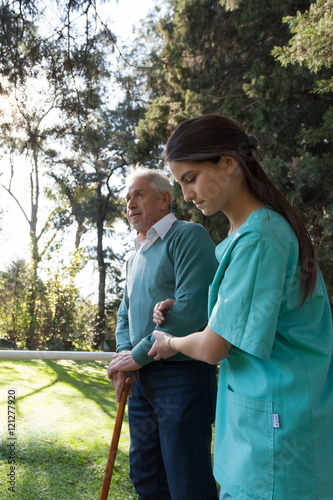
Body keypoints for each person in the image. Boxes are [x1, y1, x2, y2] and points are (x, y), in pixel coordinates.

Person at [148, 114, 333, 500]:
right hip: (258, 432)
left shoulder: (260, 238)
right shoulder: (247, 235)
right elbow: (239, 316)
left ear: (228, 164)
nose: (186, 195)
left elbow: (214, 346)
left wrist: (170, 342)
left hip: (278, 437)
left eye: (191, 178)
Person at [107, 166, 219, 500]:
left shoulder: (188, 236)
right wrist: (126, 357)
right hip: (142, 382)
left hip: (181, 375)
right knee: (145, 475)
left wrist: (135, 357)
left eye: (138, 194)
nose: (130, 203)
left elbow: (192, 309)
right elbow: (124, 314)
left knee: (186, 479)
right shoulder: (133, 258)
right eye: (127, 197)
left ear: (164, 199)